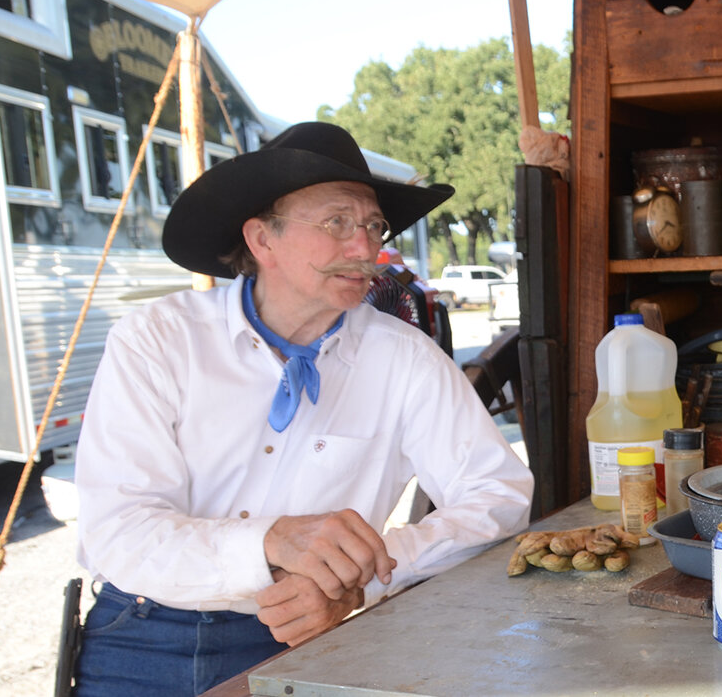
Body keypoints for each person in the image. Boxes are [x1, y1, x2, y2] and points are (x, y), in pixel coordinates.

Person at [71, 121, 534, 696]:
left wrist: (362, 575)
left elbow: (498, 494)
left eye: (372, 225)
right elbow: (119, 529)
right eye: (337, 222)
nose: (366, 248)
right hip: (142, 632)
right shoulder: (159, 340)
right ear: (263, 240)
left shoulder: (402, 357)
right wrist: (272, 541)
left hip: (305, 630)